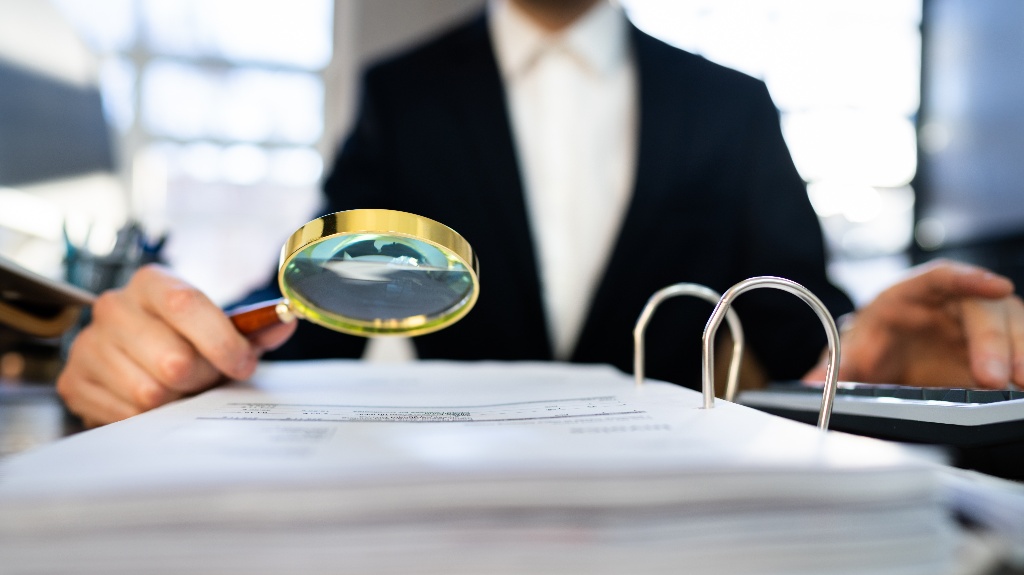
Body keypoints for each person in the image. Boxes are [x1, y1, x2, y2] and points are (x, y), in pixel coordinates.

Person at [56, 0, 1024, 428]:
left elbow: (797, 319)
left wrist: (871, 364)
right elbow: (317, 301)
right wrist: (172, 343)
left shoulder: (729, 107)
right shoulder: (404, 95)